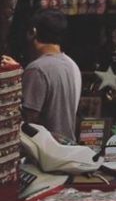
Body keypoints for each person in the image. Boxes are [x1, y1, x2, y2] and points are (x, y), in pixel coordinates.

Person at [19, 10, 82, 142]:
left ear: (33, 32)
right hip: (65, 148)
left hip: (45, 153)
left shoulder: (37, 69)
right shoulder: (70, 65)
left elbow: (28, 121)